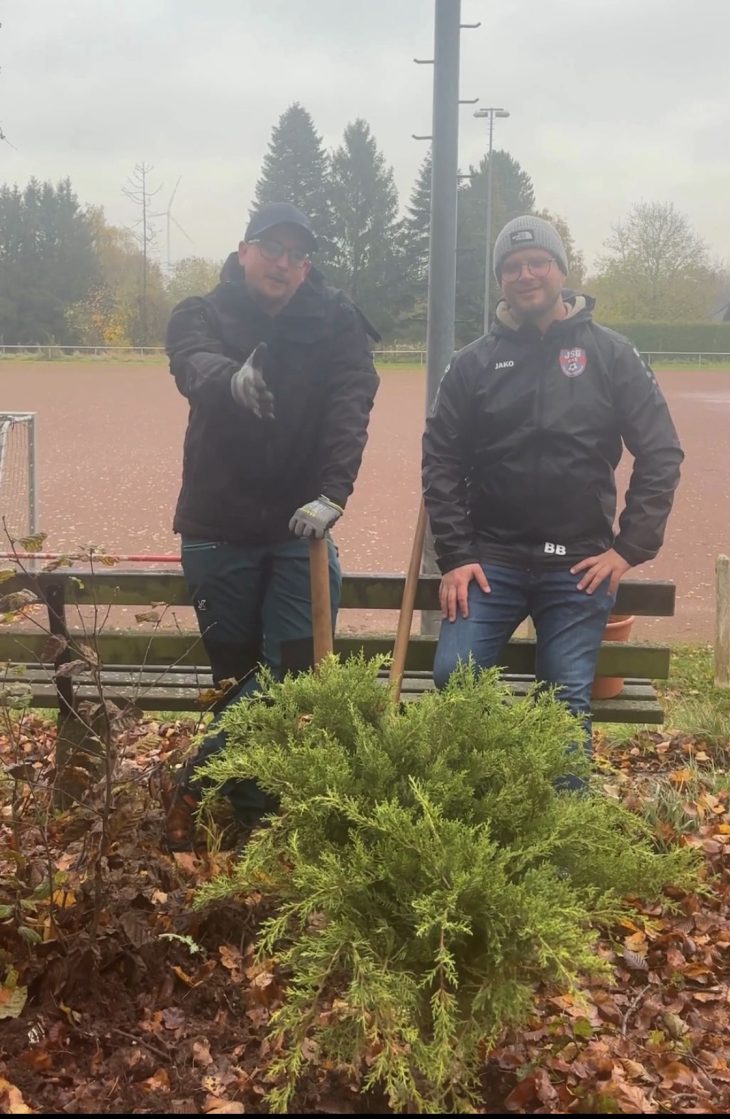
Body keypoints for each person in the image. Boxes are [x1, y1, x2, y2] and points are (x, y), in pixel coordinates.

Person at [422, 214, 683, 783]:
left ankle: (559, 839)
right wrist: (457, 554)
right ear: (501, 281)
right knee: (453, 677)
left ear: (561, 271)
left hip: (579, 566)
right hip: (491, 562)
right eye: (512, 267)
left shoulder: (612, 354)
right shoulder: (474, 363)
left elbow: (661, 452)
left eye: (537, 262)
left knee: (566, 699)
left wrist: (628, 549)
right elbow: (440, 460)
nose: (525, 275)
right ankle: (484, 798)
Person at [163, 201, 380, 848]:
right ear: (243, 252)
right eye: (270, 248)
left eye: (294, 253)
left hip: (298, 532)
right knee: (233, 680)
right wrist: (233, 380)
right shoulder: (200, 312)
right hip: (216, 526)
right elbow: (191, 362)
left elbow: (352, 401)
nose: (281, 262)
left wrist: (333, 494)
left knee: (291, 675)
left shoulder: (336, 319)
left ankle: (199, 786)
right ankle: (248, 810)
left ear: (306, 266)